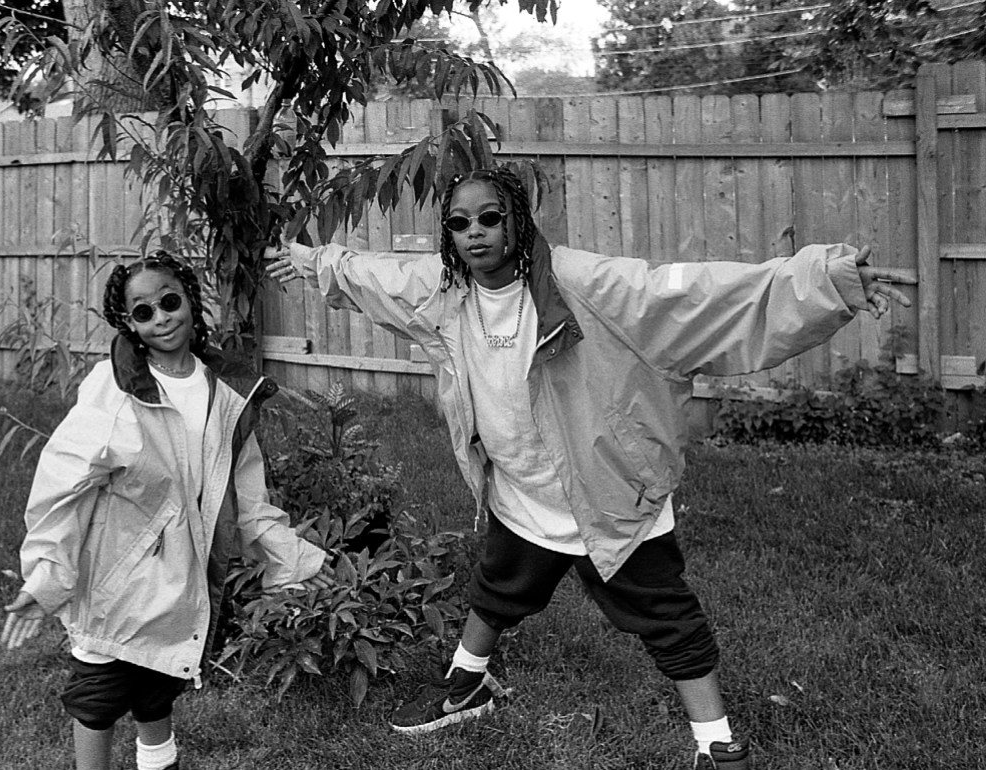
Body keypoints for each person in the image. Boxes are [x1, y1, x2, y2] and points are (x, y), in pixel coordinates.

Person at [266, 166, 911, 769]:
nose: (475, 234)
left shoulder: (584, 284)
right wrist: (311, 261)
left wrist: (827, 282)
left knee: (666, 616)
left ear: (518, 220)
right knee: (497, 589)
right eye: (460, 225)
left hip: (606, 491)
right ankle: (465, 689)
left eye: (489, 218)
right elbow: (378, 276)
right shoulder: (446, 292)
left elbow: (692, 297)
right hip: (522, 492)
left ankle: (716, 743)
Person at [0, 251, 332, 770]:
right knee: (98, 701)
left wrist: (292, 561)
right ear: (128, 324)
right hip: (114, 580)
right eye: (144, 312)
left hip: (179, 576)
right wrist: (45, 577)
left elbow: (247, 496)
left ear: (191, 301)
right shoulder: (114, 390)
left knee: (157, 690)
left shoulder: (226, 394)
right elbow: (63, 487)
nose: (161, 319)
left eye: (169, 302)